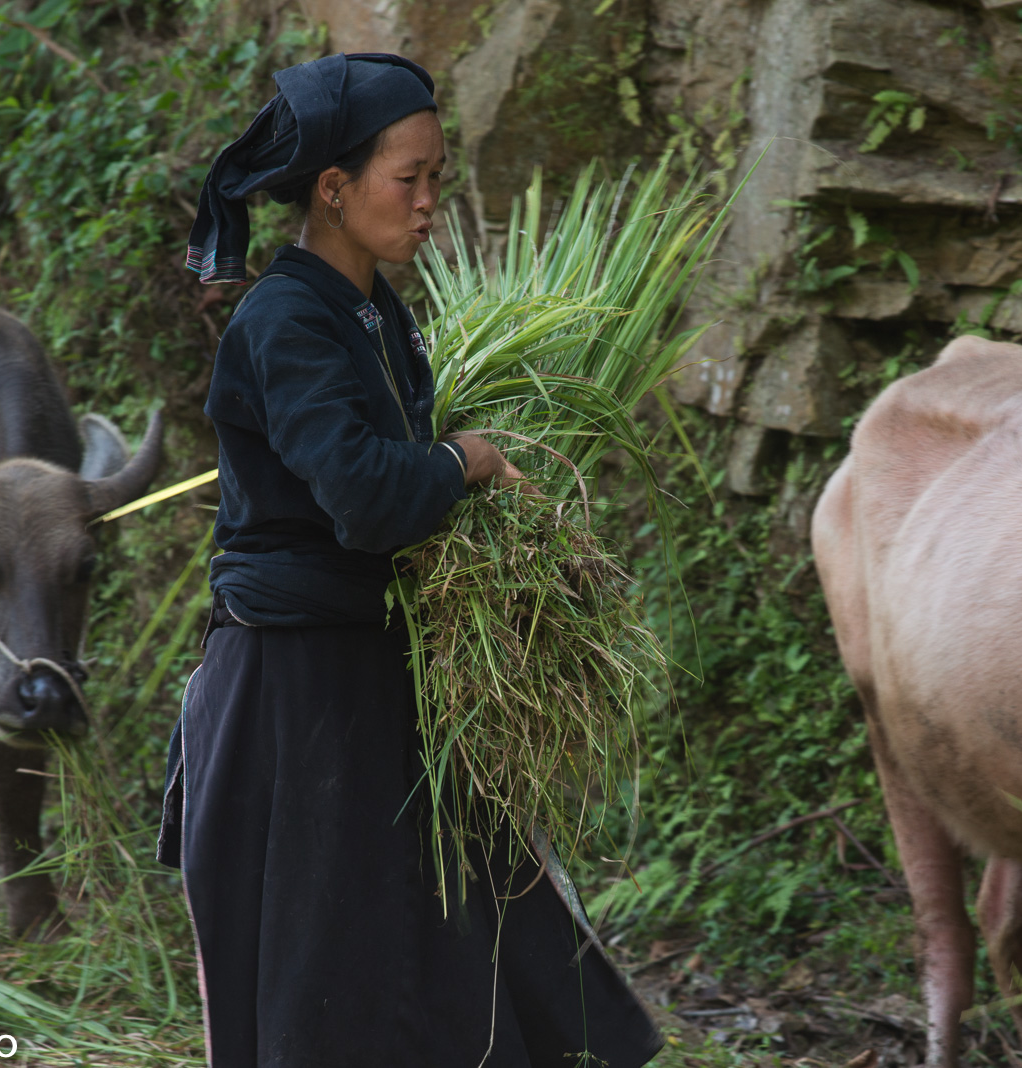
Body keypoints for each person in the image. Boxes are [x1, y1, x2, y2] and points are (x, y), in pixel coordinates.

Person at [156, 53, 663, 1068]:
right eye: (409, 179)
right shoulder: (285, 320)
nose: (430, 203)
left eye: (440, 178)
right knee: (336, 981)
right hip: (293, 701)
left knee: (454, 955)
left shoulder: (375, 314)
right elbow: (366, 496)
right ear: (334, 190)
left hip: (374, 678)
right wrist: (464, 460)